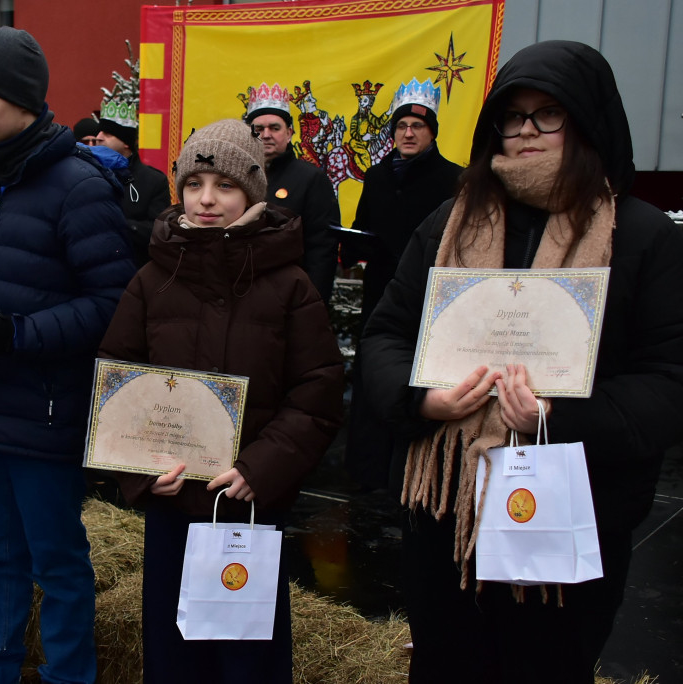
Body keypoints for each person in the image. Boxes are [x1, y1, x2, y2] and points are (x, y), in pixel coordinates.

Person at [360, 41, 683, 683]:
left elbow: (668, 381)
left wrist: (557, 416)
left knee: (547, 667)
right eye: (513, 115)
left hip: (569, 520)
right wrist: (422, 397)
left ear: (589, 120)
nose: (527, 130)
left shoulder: (643, 237)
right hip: (447, 516)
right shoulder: (450, 224)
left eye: (549, 113)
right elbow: (386, 335)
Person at [99, 119, 346, 683]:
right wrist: (139, 473)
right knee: (173, 646)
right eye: (194, 184)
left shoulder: (289, 285)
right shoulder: (151, 280)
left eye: (225, 186)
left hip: (249, 508)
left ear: (253, 191)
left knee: (247, 656)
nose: (206, 199)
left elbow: (319, 390)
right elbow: (118, 381)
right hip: (173, 502)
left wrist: (262, 467)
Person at [0, 27, 136, 684]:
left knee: (56, 560)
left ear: (21, 99)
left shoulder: (78, 187)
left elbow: (109, 304)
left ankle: (67, 674)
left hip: (45, 411)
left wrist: (15, 334)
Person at [345, 78, 462, 490]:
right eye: (401, 126)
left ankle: (407, 476)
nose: (408, 133)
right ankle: (366, 472)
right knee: (374, 376)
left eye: (417, 126)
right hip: (380, 295)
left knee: (417, 382)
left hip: (430, 302)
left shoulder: (454, 179)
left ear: (432, 132)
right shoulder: (376, 177)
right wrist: (352, 244)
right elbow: (363, 227)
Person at [243, 82, 341, 304]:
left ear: (289, 133)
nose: (266, 135)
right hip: (241, 293)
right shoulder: (235, 177)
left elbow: (322, 249)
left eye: (274, 128)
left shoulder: (311, 179)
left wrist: (312, 302)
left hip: (289, 296)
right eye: (258, 129)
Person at [96, 97, 171, 266]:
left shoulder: (154, 181)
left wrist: (119, 224)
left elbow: (159, 231)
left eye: (108, 134)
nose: (98, 137)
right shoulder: (88, 173)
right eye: (99, 132)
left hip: (134, 270)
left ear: (126, 144)